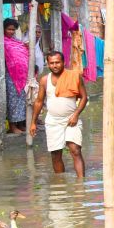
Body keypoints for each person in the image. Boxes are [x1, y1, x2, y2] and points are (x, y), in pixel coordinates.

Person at [30, 50, 87, 178]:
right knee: (55, 154)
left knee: (75, 150)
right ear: (48, 64)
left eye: (57, 62)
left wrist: (76, 114)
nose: (55, 65)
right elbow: (39, 101)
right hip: (53, 121)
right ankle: (60, 185)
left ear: (63, 62)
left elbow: (84, 98)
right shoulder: (44, 80)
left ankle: (81, 184)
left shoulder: (74, 76)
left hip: (71, 119)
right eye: (52, 63)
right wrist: (33, 122)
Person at [2, 18, 30, 134]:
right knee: (12, 100)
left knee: (22, 100)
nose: (11, 32)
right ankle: (12, 126)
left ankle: (21, 123)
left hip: (21, 77)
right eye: (9, 29)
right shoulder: (2, 41)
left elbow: (23, 53)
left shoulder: (16, 42)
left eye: (13, 29)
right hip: (10, 76)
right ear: (3, 29)